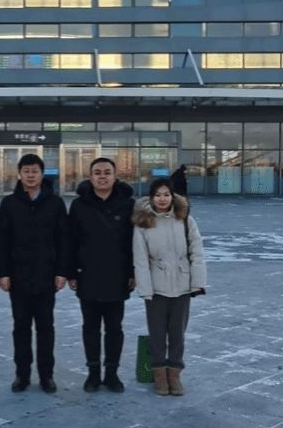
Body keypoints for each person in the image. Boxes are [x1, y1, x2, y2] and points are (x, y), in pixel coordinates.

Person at [0, 153, 69, 394]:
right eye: (26, 171)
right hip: (18, 276)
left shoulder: (55, 203)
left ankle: (46, 375)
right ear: (19, 174)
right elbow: (1, 241)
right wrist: (3, 273)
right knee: (21, 328)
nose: (30, 175)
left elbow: (63, 240)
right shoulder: (9, 204)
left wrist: (61, 271)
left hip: (46, 275)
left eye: (34, 171)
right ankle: (22, 375)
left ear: (41, 174)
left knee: (46, 328)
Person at [132, 178, 206, 396]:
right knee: (157, 334)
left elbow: (197, 252)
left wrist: (197, 283)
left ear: (173, 197)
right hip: (156, 288)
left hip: (182, 285)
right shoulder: (143, 223)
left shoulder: (185, 220)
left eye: (166, 194)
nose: (162, 199)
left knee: (177, 334)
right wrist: (145, 289)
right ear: (151, 198)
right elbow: (141, 260)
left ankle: (174, 374)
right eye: (157, 195)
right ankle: (159, 375)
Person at [68, 157, 135, 393]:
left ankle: (112, 374)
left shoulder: (128, 204)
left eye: (107, 172)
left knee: (115, 328)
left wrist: (132, 271)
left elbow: (134, 242)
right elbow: (70, 241)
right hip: (87, 275)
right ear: (91, 177)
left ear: (115, 176)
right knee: (90, 328)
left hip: (117, 275)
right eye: (97, 173)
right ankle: (93, 373)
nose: (102, 176)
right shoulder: (79, 205)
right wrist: (71, 272)